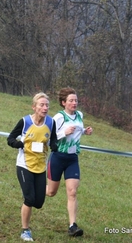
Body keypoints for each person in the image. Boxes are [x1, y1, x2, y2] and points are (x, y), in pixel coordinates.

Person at [7, 92, 57, 242]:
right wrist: (16, 143)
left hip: (40, 166)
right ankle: (25, 230)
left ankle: (28, 200)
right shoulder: (25, 121)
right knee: (29, 198)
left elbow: (53, 138)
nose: (45, 107)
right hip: (24, 165)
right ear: (34, 107)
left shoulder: (51, 122)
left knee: (39, 202)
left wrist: (54, 145)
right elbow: (10, 138)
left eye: (47, 105)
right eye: (42, 105)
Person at [46, 87, 93, 237]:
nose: (74, 103)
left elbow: (78, 130)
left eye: (76, 100)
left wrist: (85, 131)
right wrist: (63, 133)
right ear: (63, 102)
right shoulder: (58, 118)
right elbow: (49, 137)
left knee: (72, 192)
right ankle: (34, 188)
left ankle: (73, 226)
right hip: (58, 157)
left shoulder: (79, 115)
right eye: (71, 100)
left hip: (72, 159)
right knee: (51, 192)